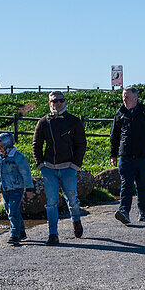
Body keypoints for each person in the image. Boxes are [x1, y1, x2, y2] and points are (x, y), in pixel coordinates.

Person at [33, 91, 87, 244]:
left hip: (68, 168)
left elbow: (81, 145)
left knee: (72, 200)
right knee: (51, 202)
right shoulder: (43, 122)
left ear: (65, 102)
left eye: (60, 100)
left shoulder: (74, 121)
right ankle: (53, 234)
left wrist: (75, 165)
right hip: (49, 168)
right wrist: (40, 164)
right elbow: (36, 145)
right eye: (54, 101)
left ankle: (76, 220)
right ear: (49, 103)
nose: (57, 104)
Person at [110, 87, 145, 225]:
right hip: (125, 155)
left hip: (143, 156)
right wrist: (113, 154)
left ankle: (143, 211)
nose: (124, 99)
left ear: (135, 98)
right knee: (126, 184)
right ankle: (124, 211)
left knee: (142, 185)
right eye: (123, 97)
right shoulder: (120, 114)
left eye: (127, 97)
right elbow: (114, 136)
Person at [0, 132, 35, 246]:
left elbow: (26, 173)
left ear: (8, 145)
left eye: (2, 146)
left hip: (16, 188)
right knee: (10, 211)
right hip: (4, 188)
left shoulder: (18, 157)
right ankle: (22, 231)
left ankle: (14, 234)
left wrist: (29, 188)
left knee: (13, 211)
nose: (0, 149)